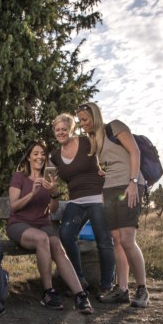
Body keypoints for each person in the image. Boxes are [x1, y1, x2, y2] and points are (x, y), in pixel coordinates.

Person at [6, 140, 94, 314]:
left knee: (57, 247)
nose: (40, 157)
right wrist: (32, 193)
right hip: (19, 224)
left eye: (43, 154)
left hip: (42, 223)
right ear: (29, 157)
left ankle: (80, 295)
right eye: (36, 153)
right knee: (42, 239)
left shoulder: (50, 179)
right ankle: (48, 292)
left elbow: (52, 210)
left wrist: (54, 193)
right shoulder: (19, 177)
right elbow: (14, 206)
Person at [75, 102, 149, 308]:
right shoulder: (94, 140)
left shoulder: (115, 126)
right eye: (80, 121)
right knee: (116, 239)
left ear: (96, 115)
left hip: (129, 185)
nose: (82, 124)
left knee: (127, 239)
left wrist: (133, 182)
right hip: (109, 189)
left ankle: (142, 289)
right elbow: (105, 162)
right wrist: (101, 171)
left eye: (85, 119)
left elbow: (134, 152)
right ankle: (122, 289)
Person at [49, 113, 115, 295]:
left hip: (97, 199)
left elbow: (109, 151)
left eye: (64, 129)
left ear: (71, 130)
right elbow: (42, 172)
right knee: (66, 234)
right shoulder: (55, 156)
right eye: (57, 130)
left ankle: (107, 286)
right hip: (76, 201)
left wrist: (109, 172)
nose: (61, 132)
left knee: (104, 241)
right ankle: (79, 280)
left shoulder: (87, 142)